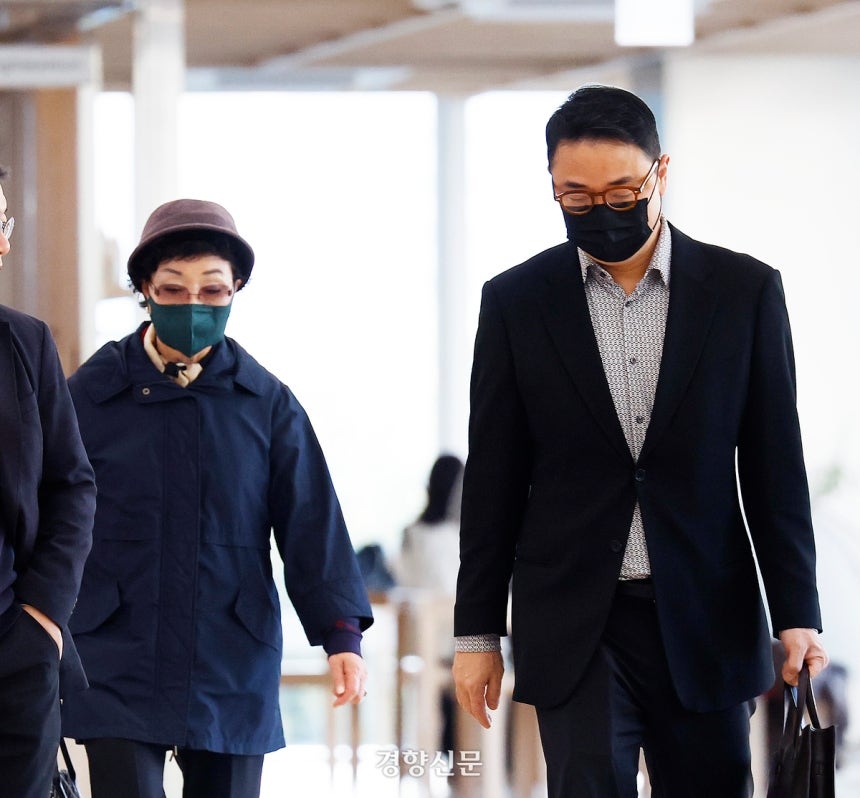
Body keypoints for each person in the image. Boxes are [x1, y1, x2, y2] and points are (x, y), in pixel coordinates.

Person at [451, 85, 829, 798]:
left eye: (622, 192)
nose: (602, 210)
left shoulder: (743, 292)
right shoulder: (516, 302)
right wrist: (477, 635)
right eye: (576, 196)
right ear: (553, 186)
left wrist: (797, 615)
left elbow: (775, 467)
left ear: (661, 172)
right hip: (576, 620)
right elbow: (495, 479)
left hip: (705, 614)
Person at [61, 198, 373, 798]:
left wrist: (341, 636)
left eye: (212, 290)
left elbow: (311, 521)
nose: (193, 305)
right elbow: (49, 516)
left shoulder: (267, 404)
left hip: (230, 649)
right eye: (173, 290)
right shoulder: (89, 397)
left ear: (236, 291)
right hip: (116, 645)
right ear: (144, 290)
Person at [0, 165, 96, 798]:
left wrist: (42, 616)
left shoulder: (25, 342)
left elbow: (71, 485)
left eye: (3, 223)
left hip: (15, 642)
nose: (3, 244)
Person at [394, 454, 464, 753]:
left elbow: (403, 580)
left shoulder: (410, 534)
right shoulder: (453, 537)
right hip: (453, 643)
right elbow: (454, 592)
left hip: (419, 643)